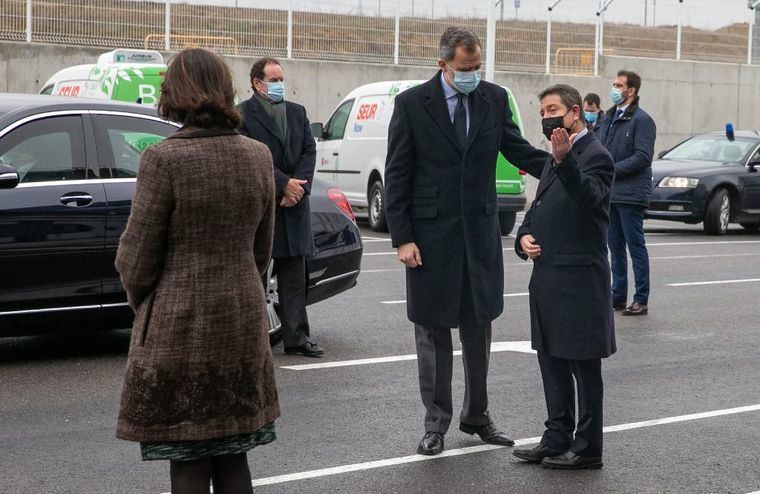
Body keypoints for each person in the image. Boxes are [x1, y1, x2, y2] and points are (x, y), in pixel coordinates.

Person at [115, 48, 279, 493]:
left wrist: (146, 304)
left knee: (188, 456)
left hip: (180, 324)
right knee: (232, 454)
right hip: (242, 318)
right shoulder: (259, 156)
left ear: (175, 94)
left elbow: (136, 258)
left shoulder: (163, 160)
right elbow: (262, 250)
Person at [384, 25, 550, 456]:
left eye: (477, 67)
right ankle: (435, 423)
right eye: (465, 68)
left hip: (479, 234)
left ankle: (477, 416)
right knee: (433, 333)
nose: (473, 74)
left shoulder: (493, 99)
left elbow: (517, 149)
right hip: (429, 238)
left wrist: (564, 164)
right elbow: (398, 173)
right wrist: (402, 237)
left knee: (479, 329)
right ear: (443, 64)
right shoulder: (411, 105)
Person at [512, 84, 616, 470]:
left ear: (575, 113)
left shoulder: (596, 156)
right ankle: (556, 436)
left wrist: (566, 159)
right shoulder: (552, 159)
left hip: (580, 280)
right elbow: (539, 207)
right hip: (548, 279)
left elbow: (589, 198)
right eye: (541, 111)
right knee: (552, 360)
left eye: (553, 109)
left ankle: (588, 447)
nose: (546, 117)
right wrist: (523, 239)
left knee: (583, 366)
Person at [238, 57, 323, 357]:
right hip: (265, 206)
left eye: (281, 79)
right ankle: (254, 341)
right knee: (257, 277)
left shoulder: (297, 113)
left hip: (294, 205)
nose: (279, 85)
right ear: (257, 83)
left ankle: (297, 338)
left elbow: (309, 151)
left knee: (293, 277)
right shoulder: (243, 115)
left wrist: (296, 188)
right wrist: (282, 184)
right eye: (273, 80)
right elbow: (249, 157)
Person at [597, 70, 656, 316]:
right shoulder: (609, 118)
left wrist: (610, 170)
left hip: (631, 194)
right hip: (611, 193)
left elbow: (642, 157)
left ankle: (640, 298)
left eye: (619, 85)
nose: (614, 88)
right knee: (615, 247)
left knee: (636, 247)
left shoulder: (642, 121)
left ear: (631, 91)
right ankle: (617, 295)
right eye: (613, 83)